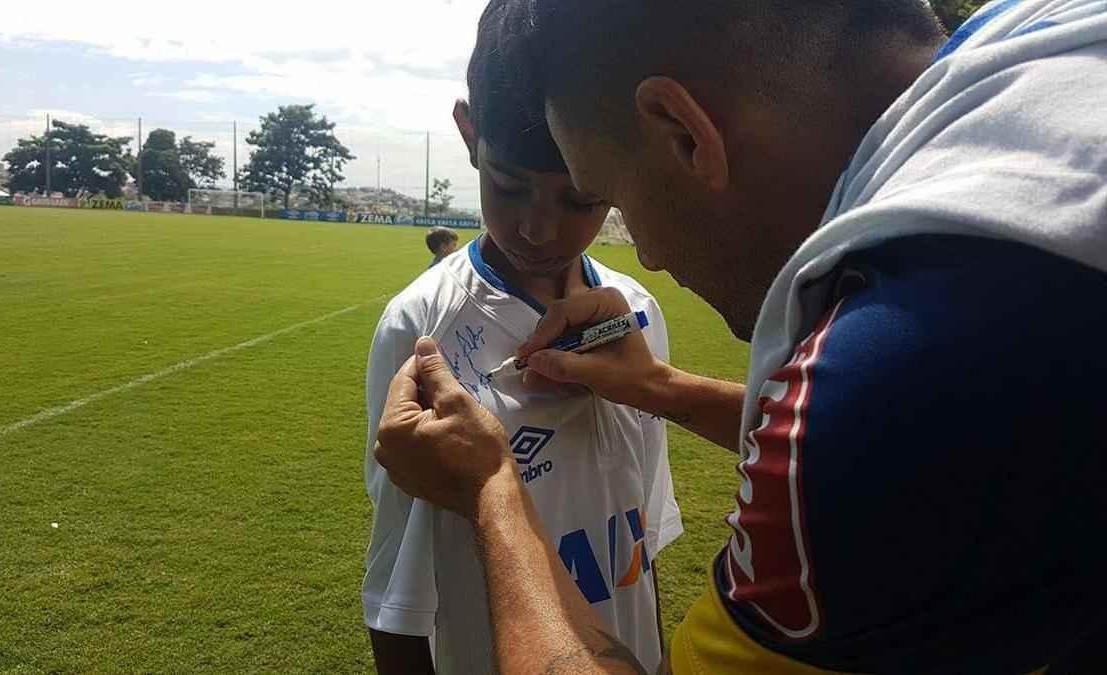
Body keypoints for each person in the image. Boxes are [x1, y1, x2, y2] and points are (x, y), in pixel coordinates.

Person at [374, 1, 1107, 674]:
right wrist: (659, 386)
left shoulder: (890, 374)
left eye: (608, 197)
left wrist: (492, 486)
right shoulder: (1045, 33)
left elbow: (884, 435)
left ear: (686, 136)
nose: (650, 258)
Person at [361, 3, 683, 673]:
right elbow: (397, 589)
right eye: (507, 186)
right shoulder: (422, 329)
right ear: (468, 133)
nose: (540, 229)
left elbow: (641, 547)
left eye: (580, 200)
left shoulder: (638, 312)